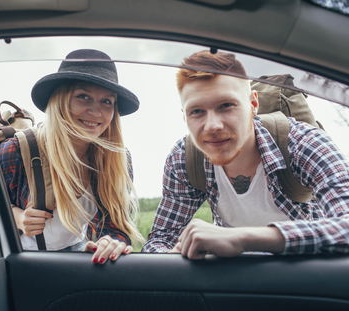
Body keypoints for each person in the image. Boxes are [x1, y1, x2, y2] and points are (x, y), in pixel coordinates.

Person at [142, 50, 349, 258]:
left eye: (226, 106)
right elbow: (160, 240)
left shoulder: (303, 143)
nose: (212, 126)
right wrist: (174, 255)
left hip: (307, 279)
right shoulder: (183, 159)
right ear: (184, 117)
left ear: (253, 104)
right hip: (235, 283)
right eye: (196, 111)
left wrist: (243, 239)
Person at [0, 49, 143, 264]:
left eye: (107, 102)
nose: (96, 112)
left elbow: (115, 227)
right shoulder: (17, 151)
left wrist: (111, 242)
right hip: (18, 259)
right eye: (83, 97)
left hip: (77, 255)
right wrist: (18, 218)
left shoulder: (117, 159)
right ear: (61, 100)